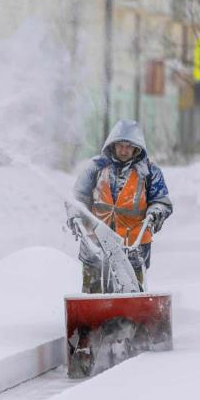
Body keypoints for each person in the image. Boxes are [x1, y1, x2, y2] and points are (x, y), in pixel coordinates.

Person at [70, 119, 173, 293]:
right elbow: (78, 198)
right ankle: (93, 316)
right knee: (93, 291)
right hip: (96, 242)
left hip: (133, 245)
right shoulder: (95, 167)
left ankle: (132, 318)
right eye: (120, 145)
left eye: (128, 146)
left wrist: (156, 212)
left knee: (132, 291)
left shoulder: (149, 172)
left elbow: (161, 200)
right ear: (113, 144)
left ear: (137, 148)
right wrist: (75, 215)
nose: (124, 150)